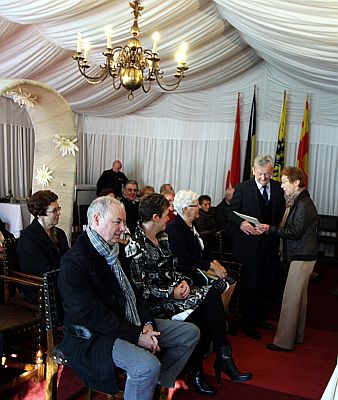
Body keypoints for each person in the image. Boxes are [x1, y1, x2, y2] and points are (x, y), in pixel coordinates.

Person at [58, 196, 200, 399]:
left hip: (125, 321)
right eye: (118, 222)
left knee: (189, 334)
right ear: (97, 220)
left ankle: (155, 384)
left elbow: (135, 293)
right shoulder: (75, 261)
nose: (124, 229)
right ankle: (147, 380)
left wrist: (148, 323)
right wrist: (137, 335)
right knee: (147, 366)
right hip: (92, 335)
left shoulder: (116, 251)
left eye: (124, 222)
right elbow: (93, 315)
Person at [126, 194, 252, 395]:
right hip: (155, 304)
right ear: (156, 217)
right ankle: (219, 359)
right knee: (206, 308)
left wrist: (182, 283)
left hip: (173, 296)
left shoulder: (163, 237)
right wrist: (172, 292)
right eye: (167, 213)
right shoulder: (135, 245)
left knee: (209, 304)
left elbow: (175, 269)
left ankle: (207, 364)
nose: (170, 216)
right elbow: (140, 290)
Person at [257, 167, 318, 351]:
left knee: (290, 299)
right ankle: (296, 336)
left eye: (284, 182)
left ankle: (283, 342)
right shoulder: (298, 201)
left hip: (302, 255)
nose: (282, 186)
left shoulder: (303, 203)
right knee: (299, 299)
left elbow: (294, 232)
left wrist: (269, 229)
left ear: (296, 183)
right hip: (304, 254)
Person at [229, 154, 285, 339]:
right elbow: (229, 213)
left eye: (268, 174)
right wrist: (241, 223)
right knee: (251, 286)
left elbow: (280, 215)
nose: (263, 178)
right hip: (249, 246)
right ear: (253, 171)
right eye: (260, 174)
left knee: (265, 284)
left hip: (269, 245)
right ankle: (248, 323)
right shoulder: (243, 188)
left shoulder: (277, 188)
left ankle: (260, 318)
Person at [166, 190, 236, 310]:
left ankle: (220, 317)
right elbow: (184, 258)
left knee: (231, 280)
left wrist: (217, 264)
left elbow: (206, 249)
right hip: (190, 270)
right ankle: (218, 319)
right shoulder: (174, 228)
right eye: (196, 205)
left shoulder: (193, 224)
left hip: (202, 266)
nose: (199, 207)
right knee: (223, 285)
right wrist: (212, 267)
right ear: (185, 209)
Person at [17, 190, 69, 304]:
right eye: (54, 211)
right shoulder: (29, 237)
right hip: (39, 287)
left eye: (58, 209)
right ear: (40, 214)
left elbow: (69, 259)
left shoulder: (59, 233)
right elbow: (44, 270)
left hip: (59, 280)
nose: (59, 213)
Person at [214, 188, 235, 252]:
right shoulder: (220, 209)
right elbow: (222, 225)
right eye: (235, 195)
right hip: (226, 234)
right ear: (228, 196)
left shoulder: (235, 205)